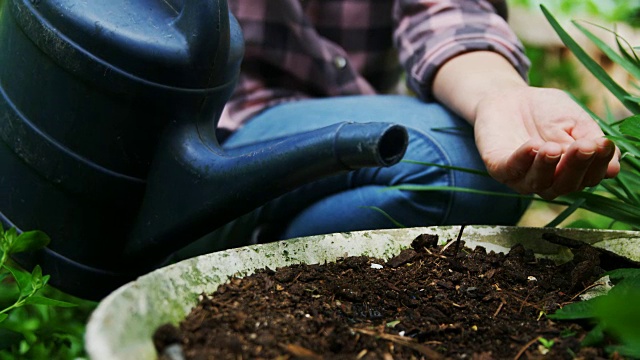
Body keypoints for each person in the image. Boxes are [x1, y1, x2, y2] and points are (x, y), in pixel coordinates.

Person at [177, 0, 620, 257]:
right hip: (202, 140)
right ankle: (219, 253)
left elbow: (444, 14)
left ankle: (262, 270)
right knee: (445, 169)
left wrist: (499, 97)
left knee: (482, 171)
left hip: (345, 126)